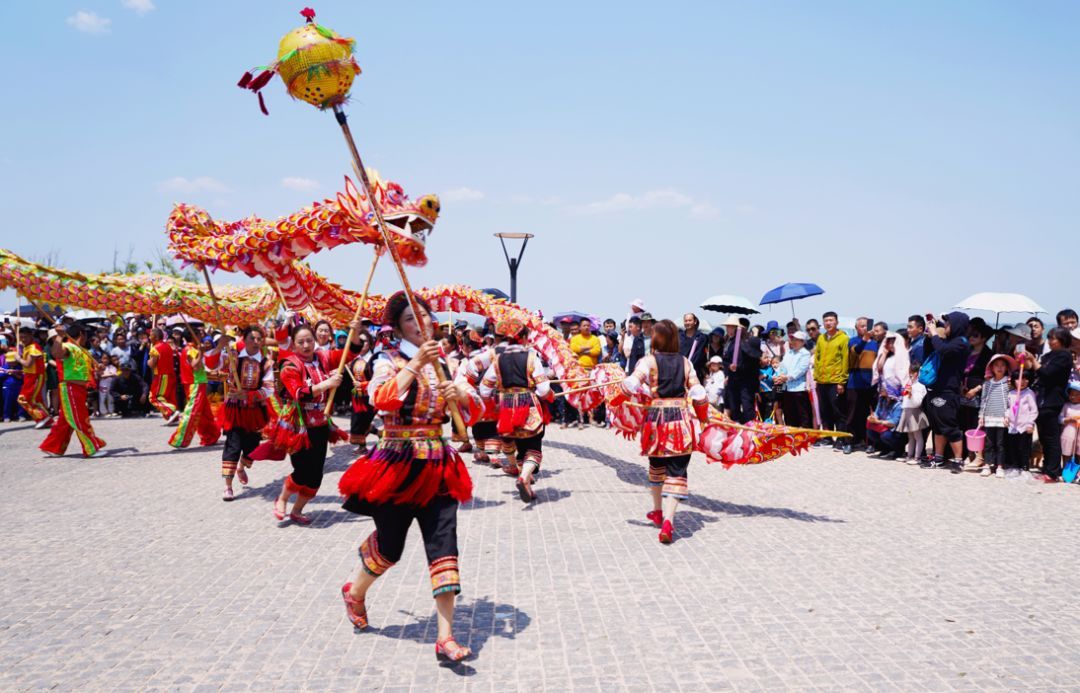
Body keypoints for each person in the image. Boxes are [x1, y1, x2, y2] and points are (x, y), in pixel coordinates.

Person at [338, 292, 475, 662]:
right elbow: (380, 399)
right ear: (397, 327)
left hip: (438, 465)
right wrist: (416, 361)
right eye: (411, 320)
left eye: (425, 317)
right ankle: (356, 591)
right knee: (390, 546)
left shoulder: (445, 363)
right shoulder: (387, 360)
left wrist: (459, 394)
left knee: (444, 545)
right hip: (397, 465)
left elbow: (474, 403)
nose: (421, 323)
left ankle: (445, 636)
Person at [617, 319, 708, 544]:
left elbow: (630, 384)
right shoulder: (686, 362)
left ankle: (657, 511)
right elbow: (698, 393)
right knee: (677, 471)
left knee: (656, 468)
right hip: (680, 421)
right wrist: (704, 417)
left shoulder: (648, 361)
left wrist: (617, 397)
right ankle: (668, 520)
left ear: (656, 339)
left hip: (656, 421)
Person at [478, 317, 553, 502]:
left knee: (519, 444)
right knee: (533, 447)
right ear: (525, 337)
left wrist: (496, 400)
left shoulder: (498, 359)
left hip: (506, 409)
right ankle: (524, 476)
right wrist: (548, 394)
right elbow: (543, 389)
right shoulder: (531, 357)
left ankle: (525, 480)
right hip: (529, 407)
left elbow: (484, 389)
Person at [220, 327, 275, 501]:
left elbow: (269, 388)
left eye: (260, 339)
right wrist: (217, 347)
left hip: (254, 411)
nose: (256, 342)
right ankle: (228, 486)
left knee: (253, 447)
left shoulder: (266, 363)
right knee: (233, 446)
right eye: (252, 338)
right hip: (235, 410)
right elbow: (213, 364)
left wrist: (250, 395)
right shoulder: (233, 356)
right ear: (244, 339)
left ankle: (242, 467)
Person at [40, 323, 107, 458]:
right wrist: (59, 337)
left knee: (66, 421)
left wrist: (98, 369)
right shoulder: (68, 346)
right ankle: (91, 448)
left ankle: (52, 447)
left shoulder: (83, 351)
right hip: (70, 388)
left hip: (79, 389)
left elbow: (87, 371)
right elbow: (57, 353)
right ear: (82, 334)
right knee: (79, 418)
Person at [1024, 327, 1074, 483]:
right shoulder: (1047, 356)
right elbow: (1037, 375)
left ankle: (1053, 472)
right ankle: (1047, 468)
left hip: (1053, 400)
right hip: (1040, 399)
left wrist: (1034, 362)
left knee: (1051, 437)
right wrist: (1028, 364)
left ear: (1063, 340)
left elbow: (1047, 375)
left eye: (1054, 338)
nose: (1050, 340)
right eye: (1050, 337)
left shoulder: (1065, 356)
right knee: (1044, 437)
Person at [921, 312, 970, 470]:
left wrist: (935, 333)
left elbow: (943, 351)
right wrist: (930, 336)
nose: (945, 326)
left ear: (956, 326)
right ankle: (938, 457)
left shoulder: (961, 342)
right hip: (935, 387)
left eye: (948, 324)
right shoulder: (948, 341)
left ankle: (958, 460)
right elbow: (930, 351)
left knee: (949, 426)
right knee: (937, 426)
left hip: (948, 390)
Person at [168, 333, 221, 449]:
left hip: (195, 382)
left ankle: (210, 436)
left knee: (205, 412)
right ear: (193, 336)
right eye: (200, 334)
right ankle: (179, 439)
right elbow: (195, 366)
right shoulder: (191, 350)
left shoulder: (188, 349)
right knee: (192, 412)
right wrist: (201, 352)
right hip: (196, 384)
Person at [959, 321, 994, 468]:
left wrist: (976, 390)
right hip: (964, 391)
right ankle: (969, 454)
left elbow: (990, 377)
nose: (971, 337)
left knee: (977, 424)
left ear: (983, 338)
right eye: (970, 334)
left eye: (976, 335)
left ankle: (979, 456)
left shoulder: (988, 354)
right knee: (965, 423)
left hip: (980, 392)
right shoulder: (967, 351)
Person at [841, 317, 878, 454]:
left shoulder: (875, 343)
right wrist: (864, 339)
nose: (864, 328)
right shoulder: (853, 341)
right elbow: (855, 352)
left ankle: (869, 442)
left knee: (869, 414)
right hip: (855, 383)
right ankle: (848, 442)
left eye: (866, 326)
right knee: (852, 414)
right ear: (856, 328)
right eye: (861, 326)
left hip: (871, 384)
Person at [813, 312, 849, 447]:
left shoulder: (843, 338)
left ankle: (840, 439)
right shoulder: (821, 338)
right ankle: (827, 437)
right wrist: (816, 377)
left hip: (835, 380)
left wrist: (842, 381)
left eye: (831, 320)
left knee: (838, 411)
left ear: (837, 322)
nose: (828, 323)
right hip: (821, 380)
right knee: (824, 410)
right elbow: (817, 358)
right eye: (826, 321)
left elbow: (845, 361)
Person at [976, 354, 1013, 478]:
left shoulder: (1008, 383)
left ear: (1006, 368)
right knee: (989, 443)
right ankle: (987, 465)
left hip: (1002, 418)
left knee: (1001, 444)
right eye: (996, 365)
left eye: (1003, 365)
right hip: (989, 417)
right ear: (991, 368)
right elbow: (983, 400)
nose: (1000, 368)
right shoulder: (987, 384)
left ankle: (1000, 466)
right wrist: (981, 416)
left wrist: (1008, 415)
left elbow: (1011, 401)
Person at [722, 316, 761, 424]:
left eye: (731, 327)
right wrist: (729, 366)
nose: (728, 329)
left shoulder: (747, 340)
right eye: (727, 327)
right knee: (733, 406)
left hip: (746, 380)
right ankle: (737, 430)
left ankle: (751, 430)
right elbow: (725, 360)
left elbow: (754, 357)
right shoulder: (728, 342)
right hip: (733, 380)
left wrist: (739, 366)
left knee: (747, 406)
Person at [1004, 369, 1038, 478]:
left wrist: (1030, 423)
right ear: (1013, 381)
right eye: (1018, 379)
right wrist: (1006, 417)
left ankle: (1024, 467)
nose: (1022, 381)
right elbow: (1009, 408)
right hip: (1013, 426)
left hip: (1025, 426)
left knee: (1024, 447)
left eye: (1025, 379)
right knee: (1013, 447)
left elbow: (1034, 410)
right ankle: (1015, 466)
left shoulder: (1029, 393)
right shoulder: (1011, 393)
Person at [568, 318, 601, 427]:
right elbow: (573, 349)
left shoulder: (595, 338)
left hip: (592, 370)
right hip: (579, 370)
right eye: (584, 325)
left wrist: (582, 350)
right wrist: (588, 349)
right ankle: (581, 419)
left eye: (588, 325)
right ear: (580, 327)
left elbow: (597, 351)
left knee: (592, 394)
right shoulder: (575, 338)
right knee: (580, 395)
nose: (586, 327)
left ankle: (591, 419)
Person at [775, 331, 812, 428]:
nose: (794, 341)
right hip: (786, 387)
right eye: (792, 339)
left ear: (803, 342)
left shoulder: (805, 353)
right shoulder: (789, 353)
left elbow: (801, 370)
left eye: (797, 340)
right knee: (789, 413)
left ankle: (805, 433)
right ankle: (792, 434)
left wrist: (787, 377)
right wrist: (777, 376)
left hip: (799, 388)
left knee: (802, 413)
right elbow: (782, 366)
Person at [16, 330, 51, 428]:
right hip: (29, 376)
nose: (23, 339)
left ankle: (41, 417)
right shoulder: (27, 346)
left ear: (31, 336)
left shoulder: (34, 347)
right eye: (21, 337)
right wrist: (14, 328)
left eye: (25, 337)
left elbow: (28, 364)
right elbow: (18, 340)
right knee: (36, 399)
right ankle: (46, 419)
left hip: (35, 376)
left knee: (24, 399)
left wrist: (18, 359)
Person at [347, 331, 377, 446]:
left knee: (364, 421)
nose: (361, 344)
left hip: (369, 397)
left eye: (364, 341)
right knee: (357, 422)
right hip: (356, 397)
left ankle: (372, 434)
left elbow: (379, 380)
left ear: (369, 343)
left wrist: (364, 385)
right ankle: (364, 444)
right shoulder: (354, 359)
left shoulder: (374, 360)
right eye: (359, 342)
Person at [898, 362, 929, 464]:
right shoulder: (910, 384)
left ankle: (917, 458)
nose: (910, 374)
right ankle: (909, 456)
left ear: (916, 373)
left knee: (918, 436)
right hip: (907, 410)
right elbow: (905, 399)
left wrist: (911, 394)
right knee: (910, 436)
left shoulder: (920, 386)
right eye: (909, 372)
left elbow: (918, 402)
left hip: (915, 411)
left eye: (911, 372)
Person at [147, 328, 180, 424]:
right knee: (168, 397)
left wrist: (148, 361)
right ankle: (172, 417)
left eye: (151, 335)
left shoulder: (155, 348)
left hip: (161, 375)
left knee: (154, 397)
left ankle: (171, 411)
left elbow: (152, 364)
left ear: (156, 337)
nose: (149, 337)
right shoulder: (167, 346)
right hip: (171, 374)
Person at [1059, 382, 1080, 480]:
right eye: (1071, 394)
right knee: (1066, 450)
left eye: (1076, 395)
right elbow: (1060, 418)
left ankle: (1077, 472)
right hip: (1068, 431)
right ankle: (1066, 469)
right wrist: (1067, 420)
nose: (1073, 397)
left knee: (1079, 451)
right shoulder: (1066, 405)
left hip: (1078, 433)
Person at [679, 313, 709, 381]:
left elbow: (699, 356)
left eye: (690, 320)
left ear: (695, 321)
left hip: (694, 372)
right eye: (686, 321)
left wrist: (689, 367)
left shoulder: (701, 337)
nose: (687, 322)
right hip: (680, 371)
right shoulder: (679, 336)